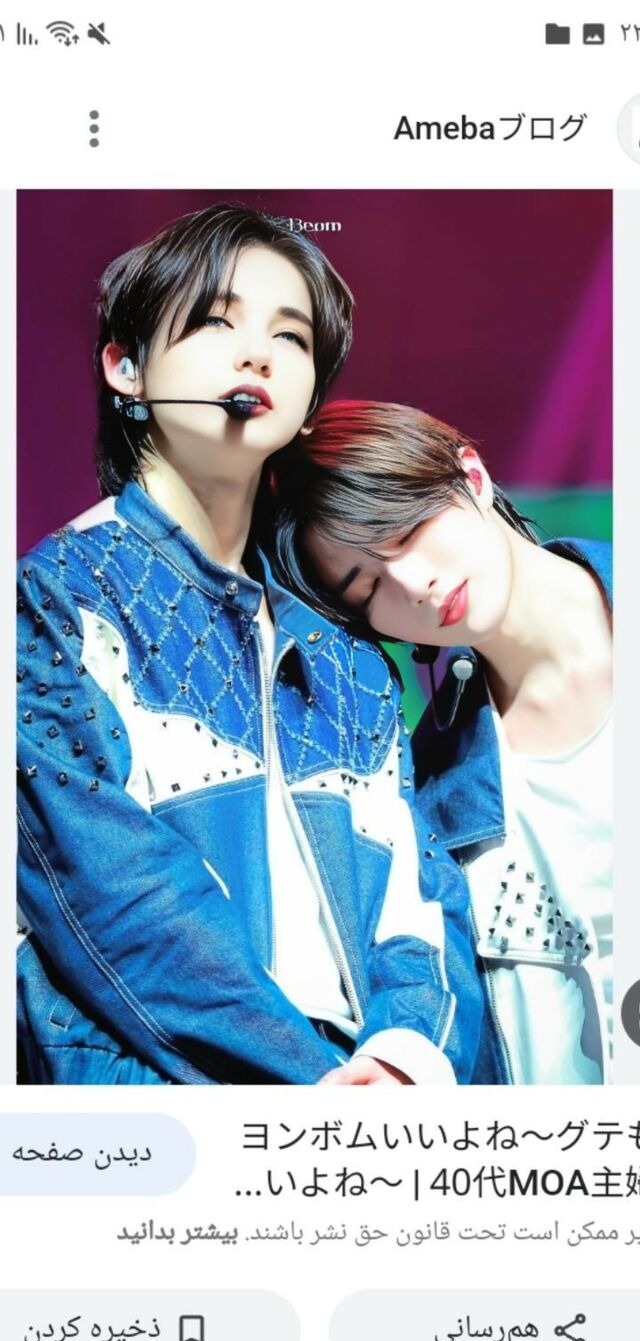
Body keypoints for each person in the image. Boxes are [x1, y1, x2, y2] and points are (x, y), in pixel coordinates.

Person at [17, 208, 480, 1086]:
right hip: (164, 1103)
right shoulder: (54, 600)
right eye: (215, 321)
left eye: (291, 337)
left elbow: (422, 904)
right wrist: (310, 1086)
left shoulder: (351, 664)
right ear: (126, 366)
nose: (259, 355)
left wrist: (401, 1060)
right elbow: (113, 897)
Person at [272, 399, 613, 1084]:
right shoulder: (428, 792)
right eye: (366, 586)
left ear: (472, 476)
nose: (412, 582)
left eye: (407, 530)